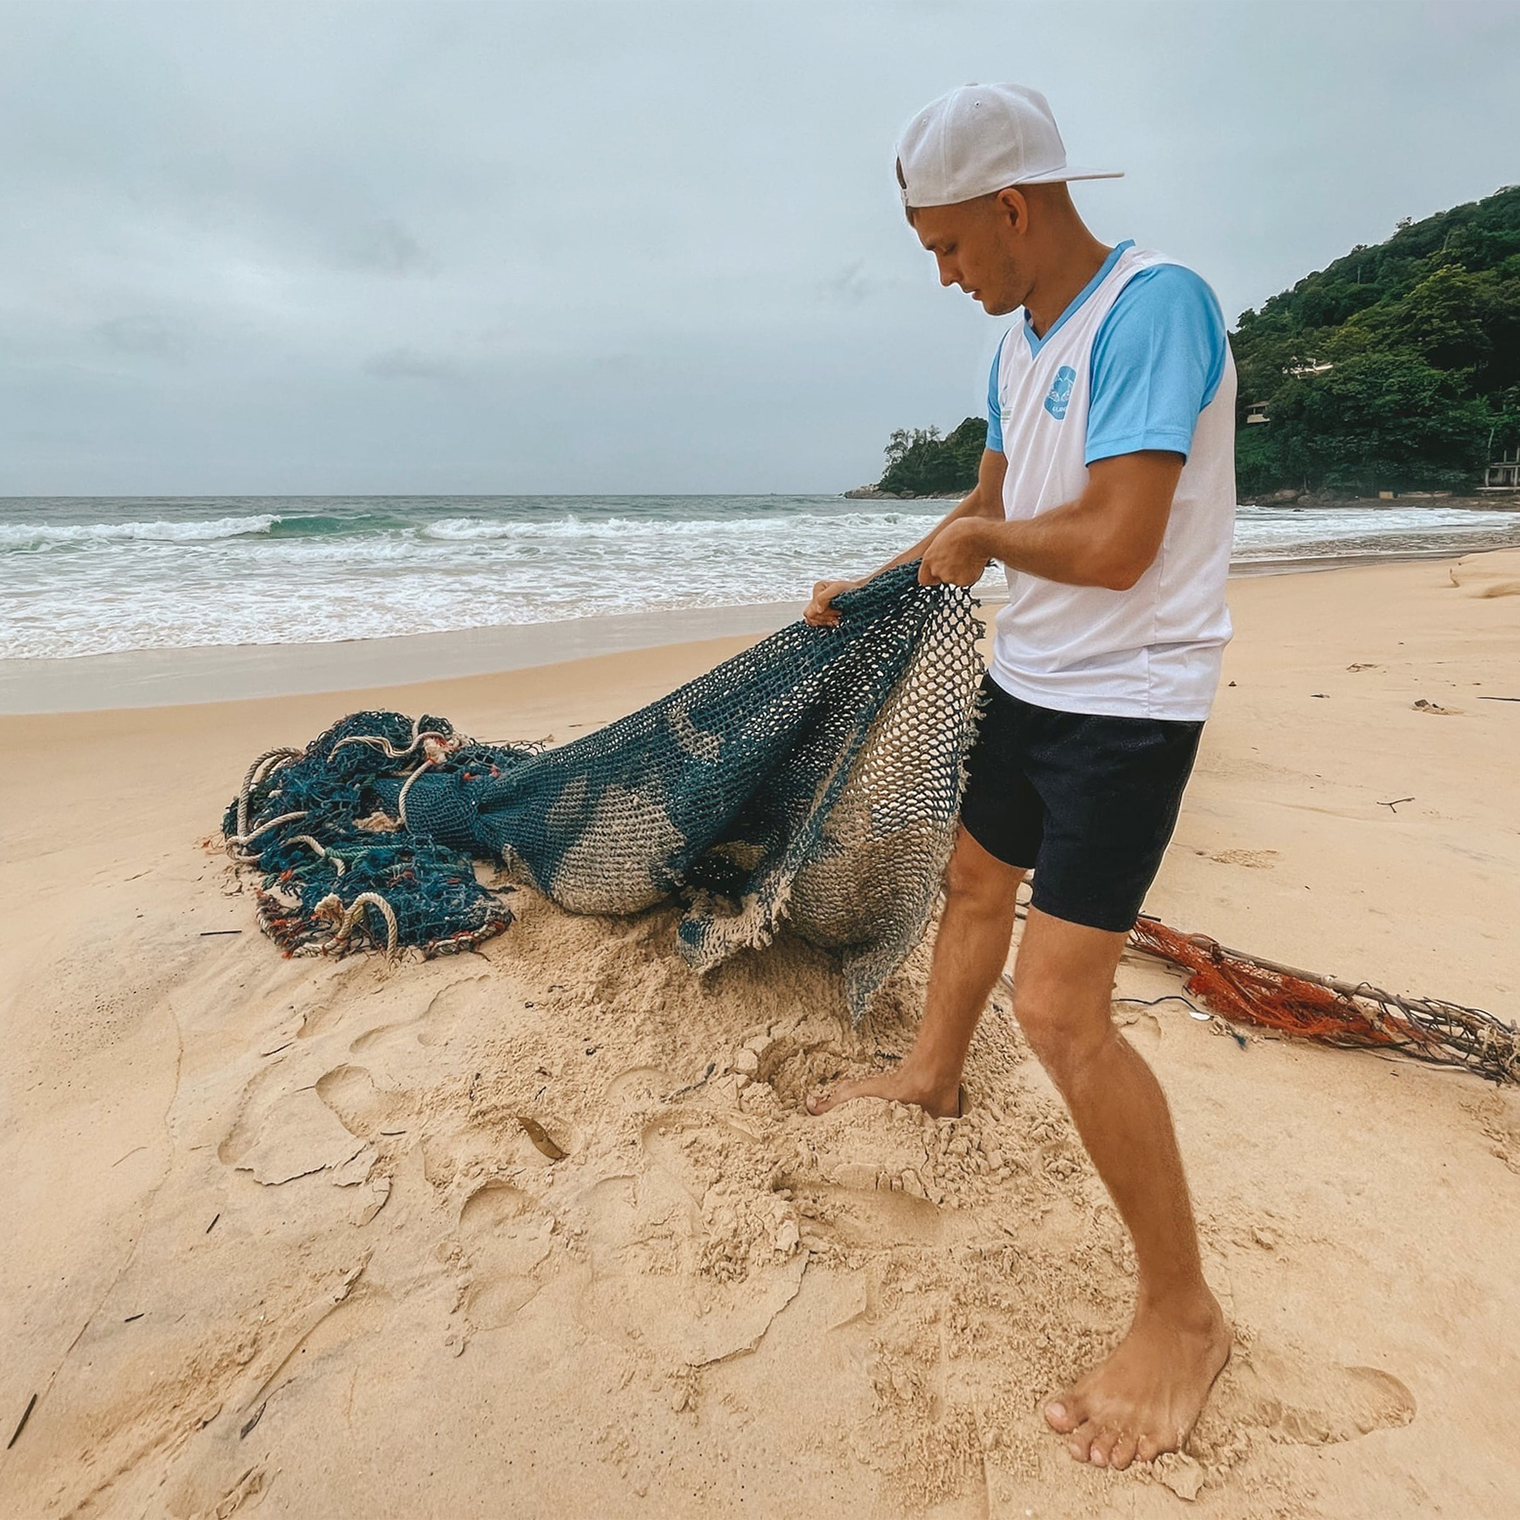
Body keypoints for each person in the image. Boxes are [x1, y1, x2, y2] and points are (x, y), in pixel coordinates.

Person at [803, 83, 1236, 1471]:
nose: (945, 275)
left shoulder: (1155, 306)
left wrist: (983, 550)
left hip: (1131, 701)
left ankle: (1182, 1314)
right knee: (972, 875)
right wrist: (878, 578)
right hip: (1032, 682)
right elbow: (984, 509)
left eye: (946, 246)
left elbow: (1115, 541)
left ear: (1011, 205)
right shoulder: (1016, 347)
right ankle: (934, 1072)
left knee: (1061, 1011)